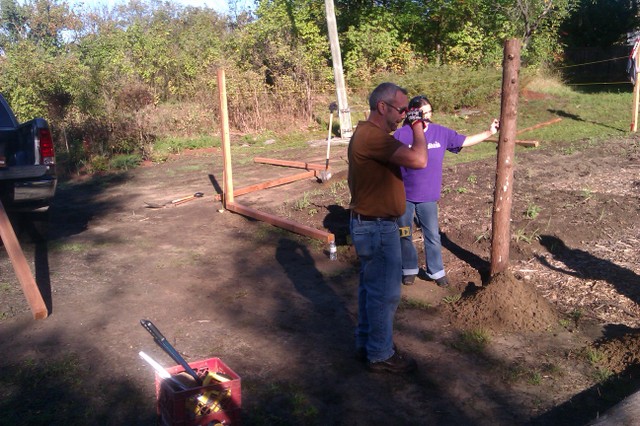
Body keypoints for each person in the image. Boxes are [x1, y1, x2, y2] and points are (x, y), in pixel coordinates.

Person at [348, 83, 428, 374]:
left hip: (370, 225)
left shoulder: (370, 135)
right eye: (401, 110)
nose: (404, 115)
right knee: (385, 293)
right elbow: (419, 159)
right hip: (378, 228)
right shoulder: (373, 137)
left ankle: (366, 344)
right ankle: (380, 354)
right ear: (382, 107)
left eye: (408, 111)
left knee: (371, 290)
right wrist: (418, 124)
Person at [394, 95, 499, 287]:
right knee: (404, 232)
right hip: (403, 197)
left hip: (428, 197)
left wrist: (489, 132)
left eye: (429, 112)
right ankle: (408, 270)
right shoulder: (401, 136)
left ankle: (436, 272)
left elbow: (465, 141)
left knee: (432, 235)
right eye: (423, 113)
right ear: (412, 114)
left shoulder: (440, 133)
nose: (427, 116)